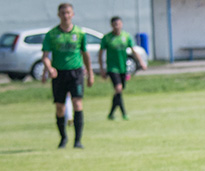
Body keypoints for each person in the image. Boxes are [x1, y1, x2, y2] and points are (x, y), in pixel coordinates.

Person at [42, 3, 94, 149]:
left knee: (77, 103)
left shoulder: (79, 33)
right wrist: (49, 68)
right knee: (60, 108)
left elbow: (85, 55)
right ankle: (63, 138)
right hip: (58, 73)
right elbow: (45, 56)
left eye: (68, 13)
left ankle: (78, 141)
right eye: (63, 13)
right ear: (59, 15)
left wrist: (90, 74)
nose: (66, 15)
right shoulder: (51, 34)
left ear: (73, 14)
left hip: (76, 72)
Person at [99, 16, 147, 120]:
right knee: (118, 88)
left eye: (119, 24)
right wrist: (102, 69)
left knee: (119, 91)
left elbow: (133, 50)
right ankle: (124, 113)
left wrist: (141, 62)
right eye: (115, 24)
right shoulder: (107, 38)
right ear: (111, 25)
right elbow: (100, 53)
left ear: (121, 24)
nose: (117, 26)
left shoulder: (126, 36)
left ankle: (111, 114)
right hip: (112, 68)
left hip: (123, 68)